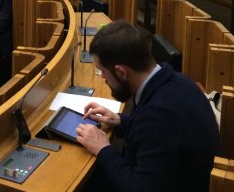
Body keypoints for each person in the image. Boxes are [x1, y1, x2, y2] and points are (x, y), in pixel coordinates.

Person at [76, 20, 220, 192]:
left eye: (103, 71)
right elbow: (160, 139)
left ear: (121, 72)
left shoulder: (158, 118)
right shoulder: (179, 82)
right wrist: (122, 122)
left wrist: (103, 148)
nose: (103, 77)